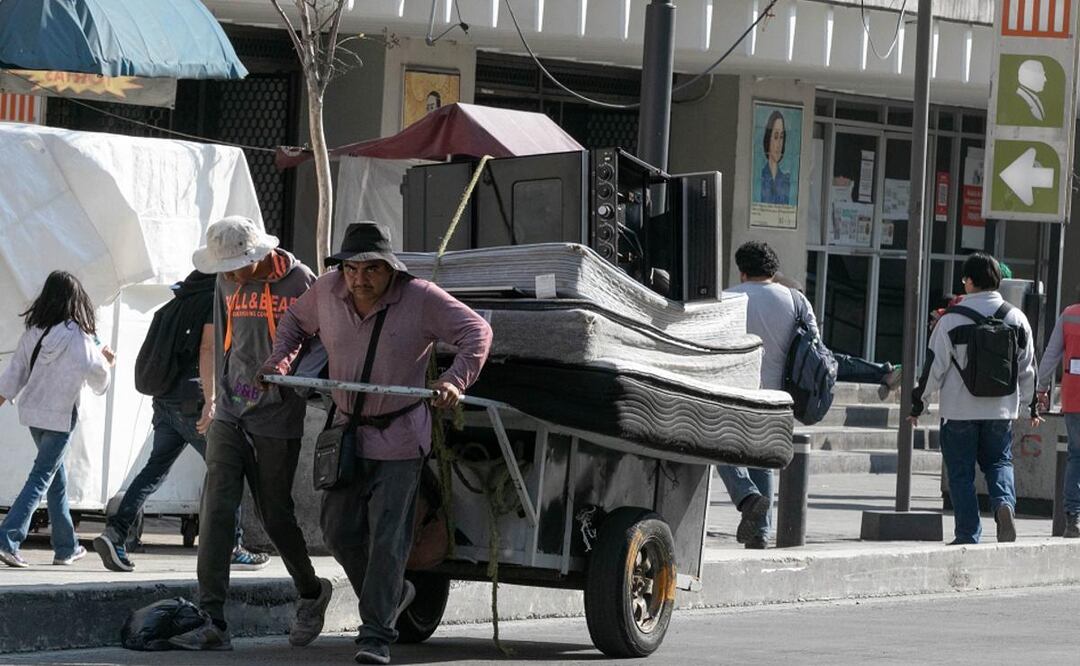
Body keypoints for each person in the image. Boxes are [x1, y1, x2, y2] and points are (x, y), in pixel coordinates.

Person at [262, 222, 492, 665]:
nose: (359, 279)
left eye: (370, 270)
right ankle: (391, 595)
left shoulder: (421, 297)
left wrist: (453, 380)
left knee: (389, 538)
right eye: (351, 268)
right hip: (346, 432)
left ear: (391, 270)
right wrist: (281, 358)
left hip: (401, 437)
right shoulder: (326, 291)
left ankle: (375, 635)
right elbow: (293, 322)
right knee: (338, 531)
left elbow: (477, 333)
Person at [168, 216, 329, 651]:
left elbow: (321, 342)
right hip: (232, 411)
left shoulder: (300, 281)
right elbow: (224, 339)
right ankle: (212, 617)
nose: (232, 274)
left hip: (278, 415)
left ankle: (312, 592)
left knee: (275, 514)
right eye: (226, 267)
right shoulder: (225, 282)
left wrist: (295, 385)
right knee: (217, 507)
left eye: (239, 265)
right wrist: (214, 397)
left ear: (259, 255)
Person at [92, 270, 270, 573]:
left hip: (165, 401)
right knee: (228, 468)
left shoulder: (175, 304)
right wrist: (211, 401)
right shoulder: (211, 300)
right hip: (194, 401)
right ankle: (231, 547)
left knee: (154, 469)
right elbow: (207, 348)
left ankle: (116, 532)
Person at [909, 252, 1040, 545]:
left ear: (968, 282)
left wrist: (919, 403)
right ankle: (1004, 503)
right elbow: (1028, 367)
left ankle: (968, 533)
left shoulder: (951, 320)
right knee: (999, 463)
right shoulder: (1016, 318)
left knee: (960, 473)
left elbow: (934, 368)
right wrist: (1031, 405)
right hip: (1001, 410)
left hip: (959, 411)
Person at [0, 271, 113, 567]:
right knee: (41, 477)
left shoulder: (34, 331)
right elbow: (98, 375)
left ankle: (66, 547)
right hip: (62, 416)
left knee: (56, 479)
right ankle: (7, 539)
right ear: (76, 301)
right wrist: (107, 362)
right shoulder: (80, 336)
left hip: (33, 416)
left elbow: (14, 374)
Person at [717, 241, 811, 549]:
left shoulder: (728, 299)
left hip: (736, 391)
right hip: (778, 398)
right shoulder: (796, 301)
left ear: (742, 272)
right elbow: (813, 346)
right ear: (774, 270)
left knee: (721, 449)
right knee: (763, 461)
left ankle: (747, 497)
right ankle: (761, 532)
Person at [773, 273, 902, 397]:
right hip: (793, 369)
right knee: (838, 364)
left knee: (838, 364)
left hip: (796, 365)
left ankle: (884, 372)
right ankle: (884, 372)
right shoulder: (779, 303)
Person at [1036, 285, 1080, 537]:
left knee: (1076, 456)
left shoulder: (1069, 314)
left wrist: (1042, 386)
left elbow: (1052, 353)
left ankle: (1072, 519)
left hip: (1074, 396)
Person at [759, 110, 791, 205]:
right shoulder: (761, 176)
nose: (779, 144)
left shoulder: (786, 180)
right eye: (776, 136)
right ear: (769, 138)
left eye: (781, 137)